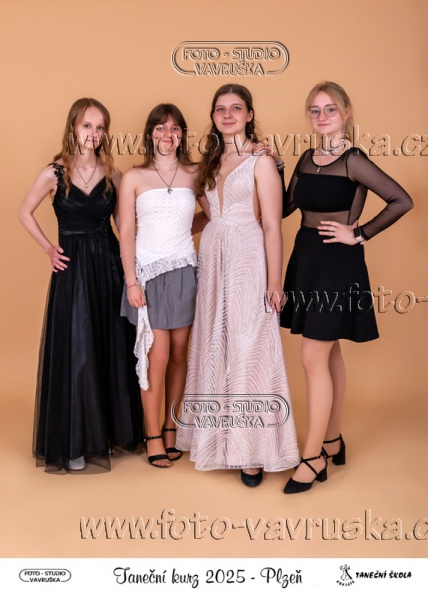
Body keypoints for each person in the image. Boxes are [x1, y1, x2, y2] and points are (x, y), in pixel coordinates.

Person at [280, 81, 413, 493]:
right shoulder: (306, 158)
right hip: (306, 259)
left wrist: (360, 233)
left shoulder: (354, 160)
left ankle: (312, 457)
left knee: (311, 357)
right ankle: (333, 439)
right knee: (328, 350)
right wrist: (276, 168)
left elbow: (402, 200)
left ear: (346, 112)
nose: (321, 117)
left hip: (338, 264)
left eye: (330, 109)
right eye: (314, 110)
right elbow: (285, 208)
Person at [176, 84, 299, 487]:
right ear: (213, 116)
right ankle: (215, 440)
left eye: (236, 108)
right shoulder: (209, 162)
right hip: (213, 257)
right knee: (214, 342)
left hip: (248, 256)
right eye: (220, 109)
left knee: (249, 346)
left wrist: (275, 280)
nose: (227, 115)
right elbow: (209, 215)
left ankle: (252, 451)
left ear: (249, 114)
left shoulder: (261, 162)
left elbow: (273, 225)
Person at [18, 98, 144, 473]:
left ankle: (109, 434)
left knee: (110, 346)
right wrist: (48, 249)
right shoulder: (53, 173)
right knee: (77, 350)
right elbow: (24, 211)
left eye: (100, 127)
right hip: (72, 269)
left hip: (108, 267)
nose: (94, 133)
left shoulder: (113, 173)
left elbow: (126, 228)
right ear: (73, 127)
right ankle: (74, 441)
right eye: (87, 125)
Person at [119, 104, 199, 468]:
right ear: (150, 133)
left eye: (175, 128)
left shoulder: (195, 173)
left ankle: (171, 428)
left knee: (181, 354)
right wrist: (131, 281)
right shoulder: (134, 177)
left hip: (184, 271)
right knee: (158, 355)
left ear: (182, 135)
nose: (168, 134)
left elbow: (215, 213)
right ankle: (152, 435)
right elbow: (126, 232)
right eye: (160, 128)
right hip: (147, 276)